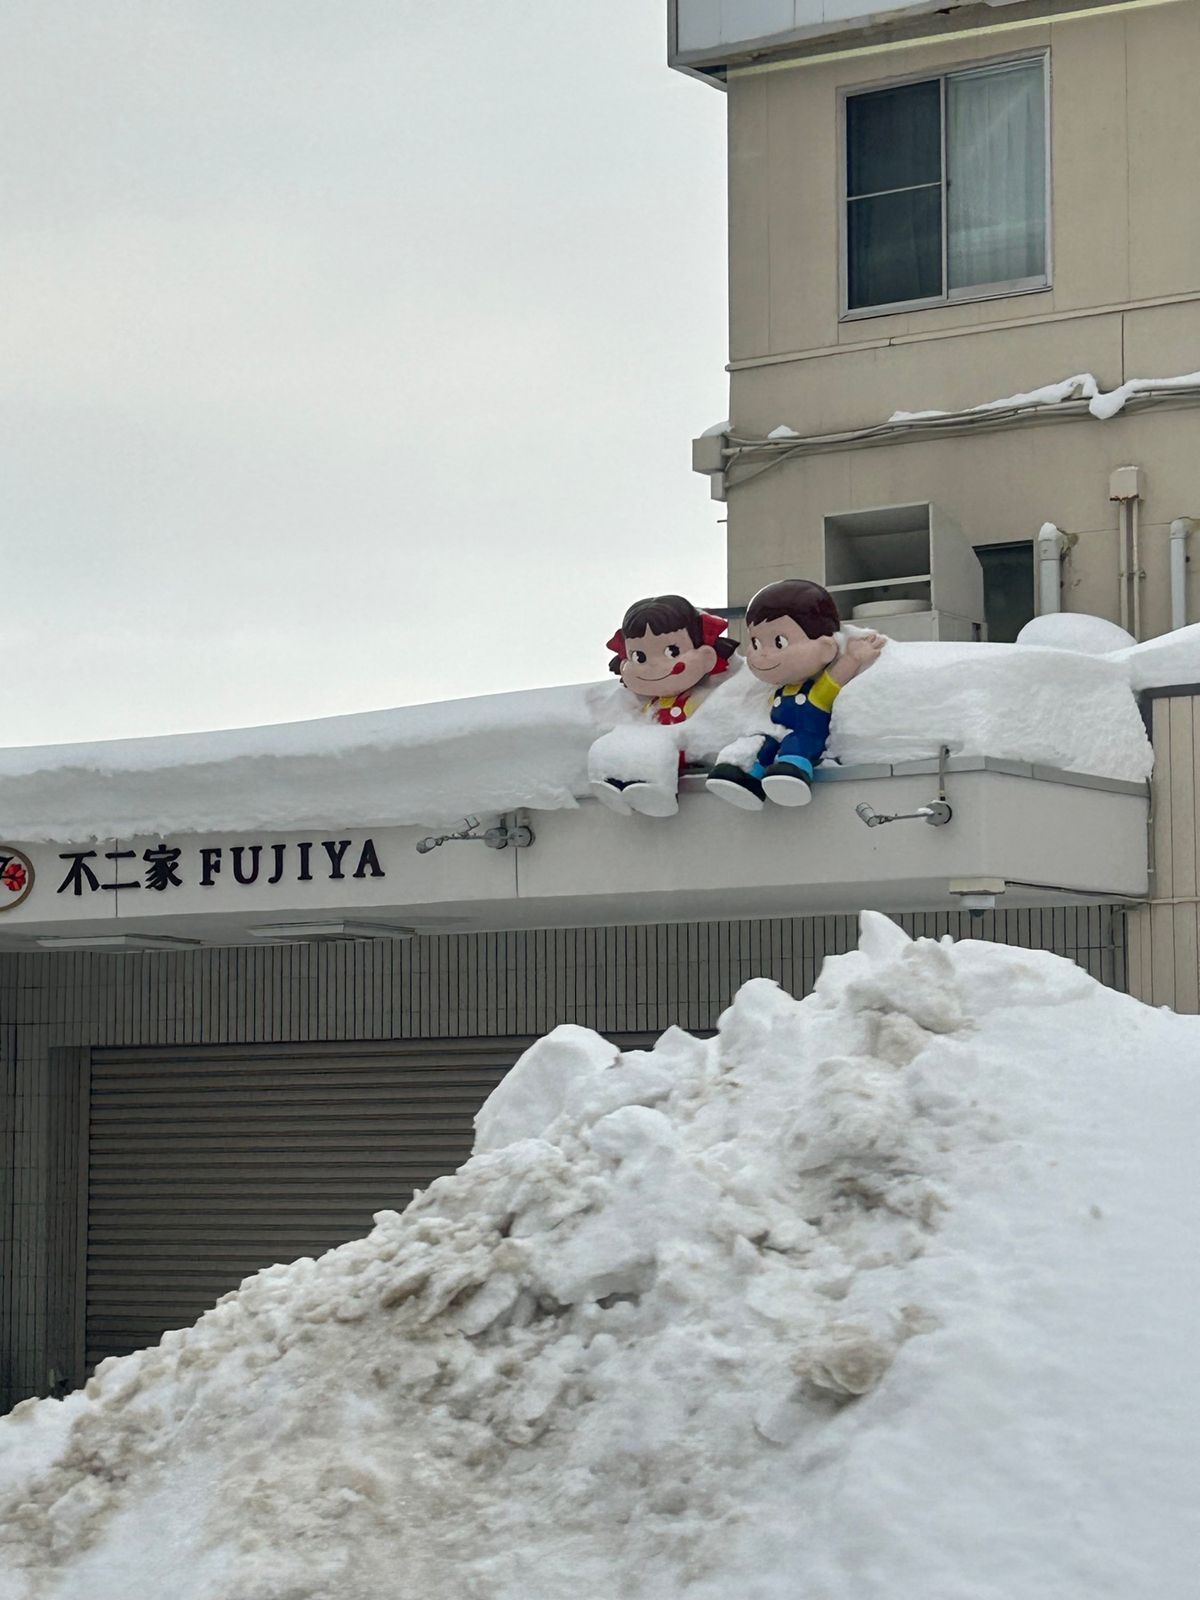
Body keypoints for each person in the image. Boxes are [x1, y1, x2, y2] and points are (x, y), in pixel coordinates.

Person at [705, 579, 885, 810]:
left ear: (825, 647)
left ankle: (793, 772)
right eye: (756, 643)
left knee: (796, 744)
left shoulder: (816, 692)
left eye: (779, 642)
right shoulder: (775, 689)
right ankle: (743, 775)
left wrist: (854, 658)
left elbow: (836, 678)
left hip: (807, 735)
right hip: (776, 733)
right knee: (764, 745)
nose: (763, 655)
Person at [590, 594, 738, 817]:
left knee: (658, 748)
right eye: (639, 657)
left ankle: (657, 792)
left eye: (672, 652)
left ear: (706, 655)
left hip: (675, 753)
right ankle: (610, 781)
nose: (653, 667)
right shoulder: (648, 703)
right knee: (613, 741)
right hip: (647, 747)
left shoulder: (704, 698)